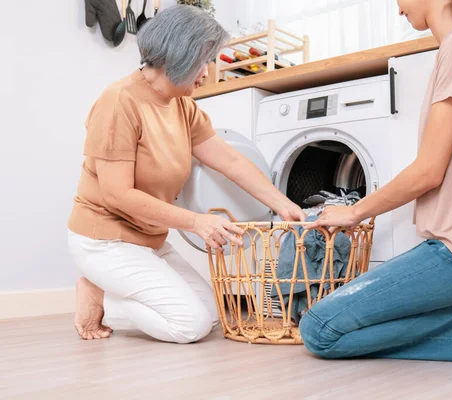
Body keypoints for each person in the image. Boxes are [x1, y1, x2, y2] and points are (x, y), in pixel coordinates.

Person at [300, 0, 452, 362]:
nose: (398, 8)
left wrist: (353, 212)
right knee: (328, 327)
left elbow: (428, 171)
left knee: (319, 331)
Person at [67, 5, 304, 344]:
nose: (208, 72)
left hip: (149, 239)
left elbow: (231, 162)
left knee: (210, 315)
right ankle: (98, 294)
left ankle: (106, 288)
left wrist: (283, 204)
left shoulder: (183, 105)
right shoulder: (119, 102)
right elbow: (117, 195)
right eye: (205, 60)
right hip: (104, 239)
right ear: (180, 56)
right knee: (188, 326)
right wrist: (195, 222)